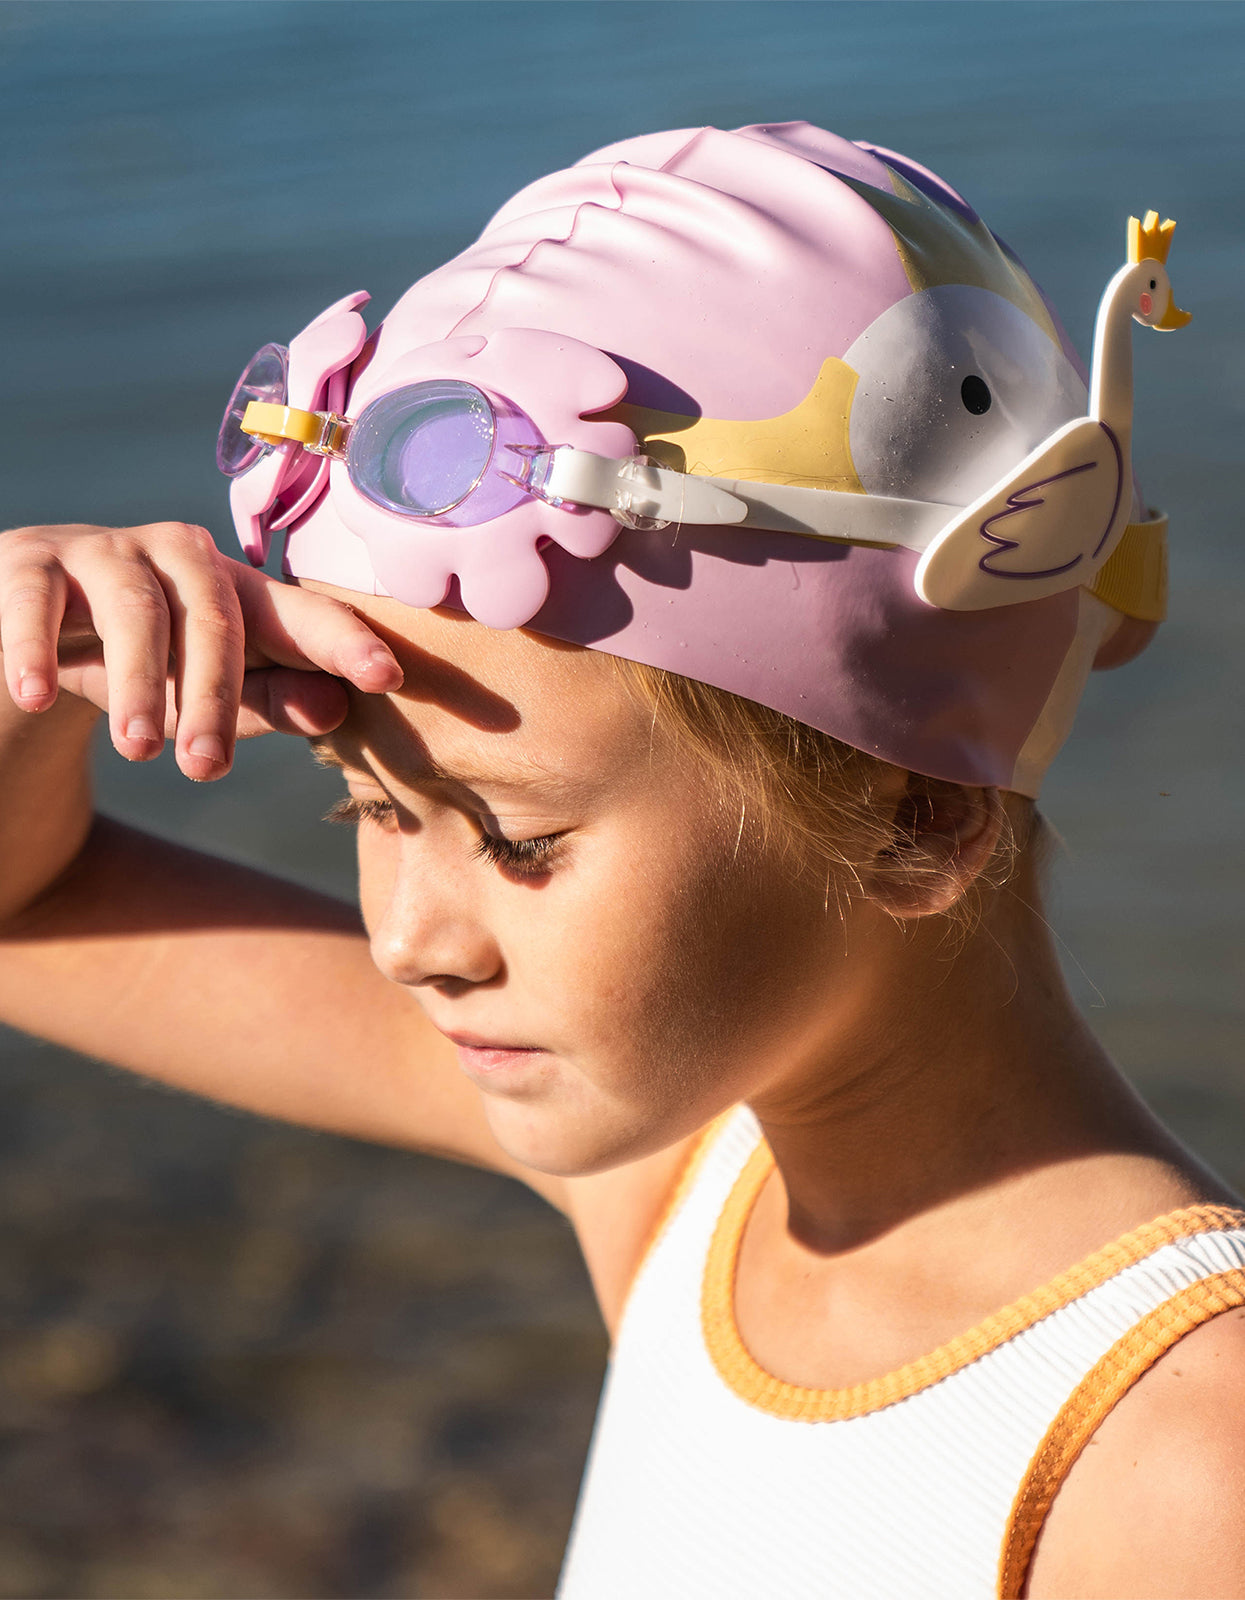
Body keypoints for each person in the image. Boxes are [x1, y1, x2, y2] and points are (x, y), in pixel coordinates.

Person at [1, 123, 1242, 1599]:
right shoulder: (692, 1195)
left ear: (917, 822)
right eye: (370, 811)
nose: (408, 942)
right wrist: (27, 671)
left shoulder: (1182, 1457)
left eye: (515, 835)